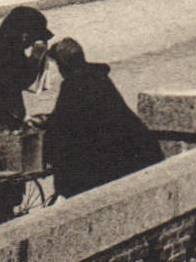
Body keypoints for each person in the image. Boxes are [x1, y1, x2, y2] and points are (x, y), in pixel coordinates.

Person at [35, 38, 164, 199]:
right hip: (139, 149)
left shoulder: (73, 83)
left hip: (117, 158)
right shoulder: (97, 76)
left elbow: (63, 122)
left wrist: (45, 133)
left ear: (64, 65)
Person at [0, 7, 52, 130]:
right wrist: (35, 58)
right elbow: (22, 82)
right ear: (25, 35)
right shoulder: (9, 54)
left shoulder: (5, 47)